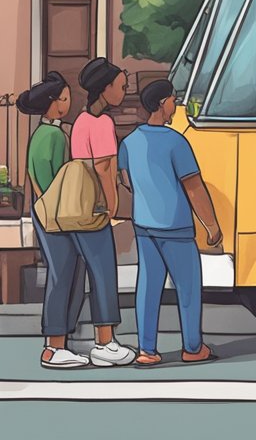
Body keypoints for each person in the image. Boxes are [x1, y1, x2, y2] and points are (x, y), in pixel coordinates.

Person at [119, 80, 223, 366]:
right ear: (160, 104)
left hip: (144, 225)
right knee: (188, 288)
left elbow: (125, 180)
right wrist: (211, 225)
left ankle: (147, 350)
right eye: (172, 100)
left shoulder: (129, 142)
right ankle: (192, 347)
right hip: (175, 226)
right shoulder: (176, 141)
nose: (174, 105)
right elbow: (193, 187)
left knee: (148, 287)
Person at [66, 58, 137, 366]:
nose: (123, 92)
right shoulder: (103, 123)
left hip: (76, 206)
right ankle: (104, 342)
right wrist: (112, 206)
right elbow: (104, 167)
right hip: (96, 207)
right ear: (106, 89)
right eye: (121, 87)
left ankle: (70, 341)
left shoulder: (81, 121)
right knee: (104, 273)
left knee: (81, 274)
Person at [18, 73, 89, 368]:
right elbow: (59, 182)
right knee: (64, 275)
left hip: (45, 211)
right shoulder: (55, 137)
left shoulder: (43, 134)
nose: (69, 102)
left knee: (65, 273)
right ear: (54, 103)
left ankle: (58, 343)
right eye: (64, 98)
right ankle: (55, 345)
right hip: (57, 213)